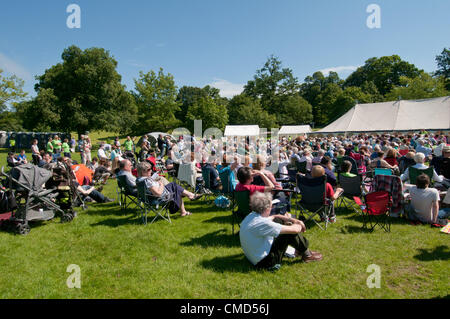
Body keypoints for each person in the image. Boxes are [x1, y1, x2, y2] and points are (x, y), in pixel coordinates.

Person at [240, 192, 322, 271]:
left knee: (278, 220)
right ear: (267, 208)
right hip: (265, 263)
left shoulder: (252, 216)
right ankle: (307, 255)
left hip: (254, 257)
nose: (272, 208)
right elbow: (295, 230)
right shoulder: (263, 223)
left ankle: (302, 251)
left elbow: (274, 216)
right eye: (271, 206)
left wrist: (292, 220)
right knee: (289, 232)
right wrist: (299, 223)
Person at [136, 161, 202, 217]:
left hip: (149, 199)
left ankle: (184, 209)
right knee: (175, 187)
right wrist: (161, 184)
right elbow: (158, 194)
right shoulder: (147, 181)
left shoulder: (139, 180)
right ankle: (190, 196)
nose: (151, 171)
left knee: (176, 188)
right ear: (142, 172)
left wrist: (156, 182)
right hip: (160, 198)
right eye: (149, 170)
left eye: (151, 169)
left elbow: (151, 190)